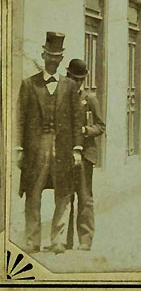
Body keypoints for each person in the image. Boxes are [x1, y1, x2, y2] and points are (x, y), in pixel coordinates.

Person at [15, 32, 83, 254]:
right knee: (33, 192)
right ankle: (32, 239)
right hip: (36, 148)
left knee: (63, 194)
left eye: (57, 57)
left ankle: (58, 240)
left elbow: (76, 120)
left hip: (62, 147)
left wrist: (77, 148)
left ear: (62, 58)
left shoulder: (70, 87)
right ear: (43, 55)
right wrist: (19, 148)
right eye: (50, 56)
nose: (53, 60)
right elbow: (20, 119)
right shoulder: (29, 85)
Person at [65, 59, 106, 251]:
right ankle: (66, 239)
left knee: (84, 196)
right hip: (65, 154)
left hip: (86, 155)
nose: (77, 83)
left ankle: (85, 239)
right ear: (68, 76)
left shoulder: (90, 99)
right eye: (74, 78)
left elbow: (101, 126)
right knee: (65, 196)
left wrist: (84, 130)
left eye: (81, 80)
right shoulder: (62, 97)